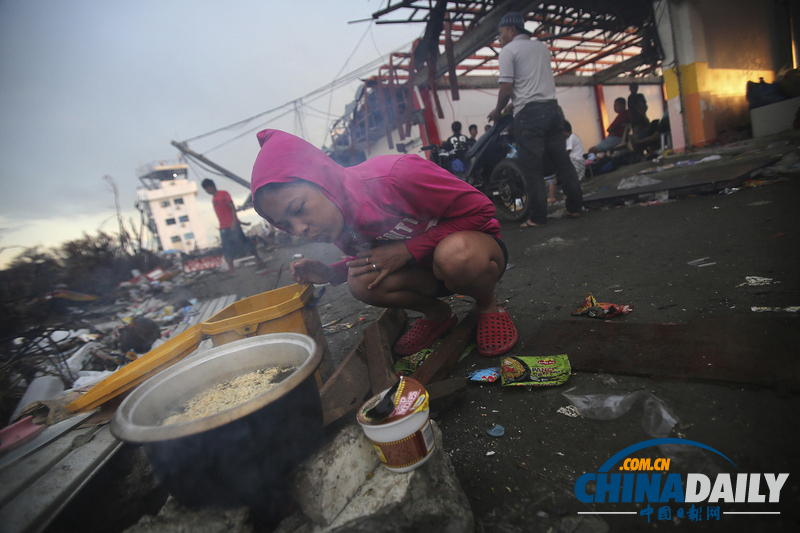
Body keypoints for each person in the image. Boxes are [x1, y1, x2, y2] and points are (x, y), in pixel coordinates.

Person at [250, 129, 518, 358]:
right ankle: (438, 315)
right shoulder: (338, 223)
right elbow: (376, 256)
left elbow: (482, 210)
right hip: (427, 272)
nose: (300, 230)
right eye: (284, 224)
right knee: (360, 282)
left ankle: (487, 305)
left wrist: (408, 249)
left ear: (323, 180)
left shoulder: (396, 176)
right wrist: (334, 272)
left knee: (457, 255)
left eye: (298, 209)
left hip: (476, 254)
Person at [487, 12, 583, 228]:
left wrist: (498, 110)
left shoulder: (508, 51)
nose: (499, 39)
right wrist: (512, 105)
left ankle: (538, 218)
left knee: (532, 168)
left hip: (530, 117)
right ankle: (575, 207)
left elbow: (507, 88)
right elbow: (532, 85)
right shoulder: (541, 48)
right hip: (552, 110)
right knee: (563, 163)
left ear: (511, 30)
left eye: (501, 34)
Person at [201, 178, 265, 277]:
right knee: (226, 249)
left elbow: (232, 208)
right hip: (223, 228)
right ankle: (232, 271)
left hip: (232, 226)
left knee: (246, 245)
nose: (207, 191)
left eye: (206, 189)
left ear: (211, 187)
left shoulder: (223, 194)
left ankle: (259, 260)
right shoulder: (213, 200)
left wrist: (234, 223)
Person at [547, 120, 586, 203]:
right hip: (579, 161)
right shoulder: (574, 136)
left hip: (575, 161)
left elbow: (567, 151)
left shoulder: (571, 138)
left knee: (569, 179)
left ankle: (568, 197)